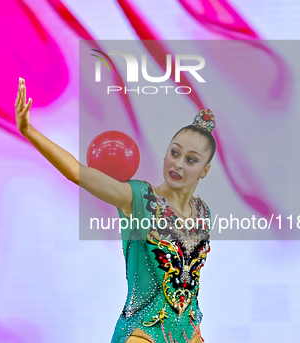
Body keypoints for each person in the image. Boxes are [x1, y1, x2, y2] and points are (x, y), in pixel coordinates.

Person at [15, 77, 215, 343]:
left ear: (205, 170)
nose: (178, 164)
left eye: (190, 160)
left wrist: (196, 331)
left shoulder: (202, 212)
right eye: (174, 153)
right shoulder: (139, 198)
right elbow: (76, 172)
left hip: (188, 332)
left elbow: (192, 283)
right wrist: (29, 131)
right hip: (144, 331)